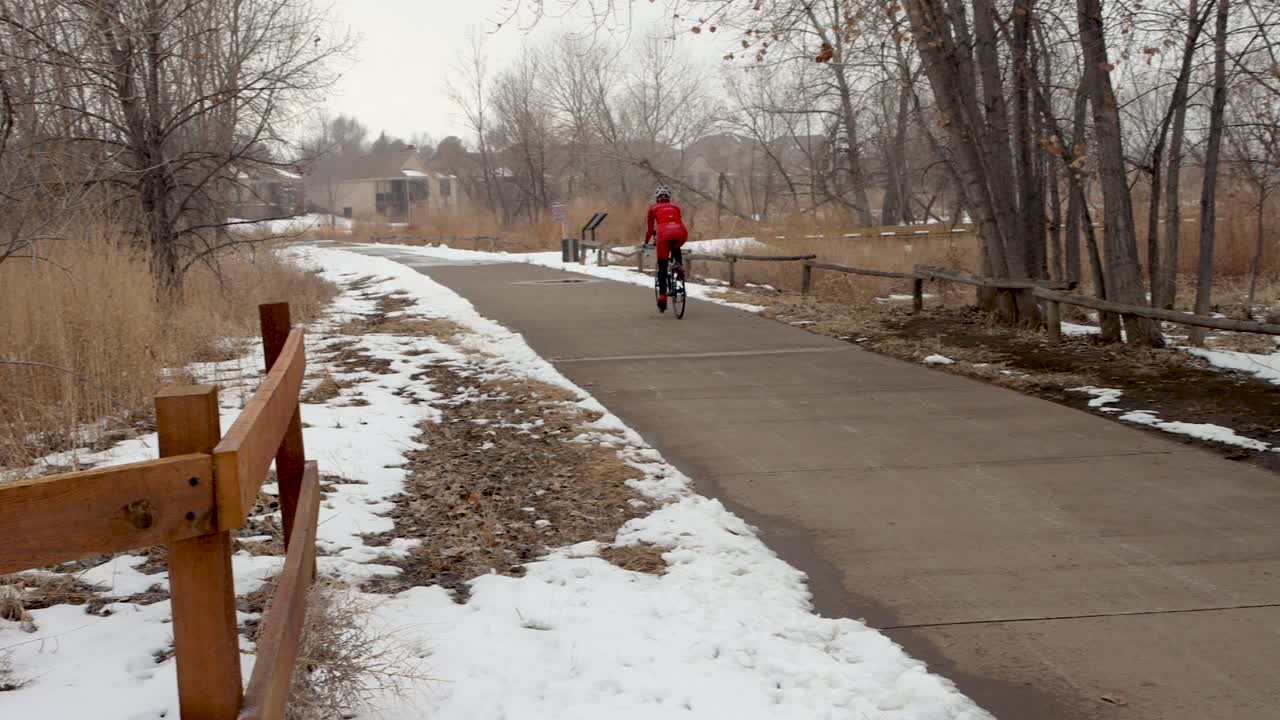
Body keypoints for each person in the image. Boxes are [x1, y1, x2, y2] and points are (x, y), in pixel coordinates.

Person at [644, 185, 687, 312]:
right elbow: (675, 221)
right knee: (675, 245)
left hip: (663, 234)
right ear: (669, 197)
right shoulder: (676, 207)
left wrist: (646, 243)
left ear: (657, 198)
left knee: (662, 266)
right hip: (681, 232)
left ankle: (663, 296)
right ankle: (678, 265)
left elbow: (650, 230)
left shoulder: (652, 209)